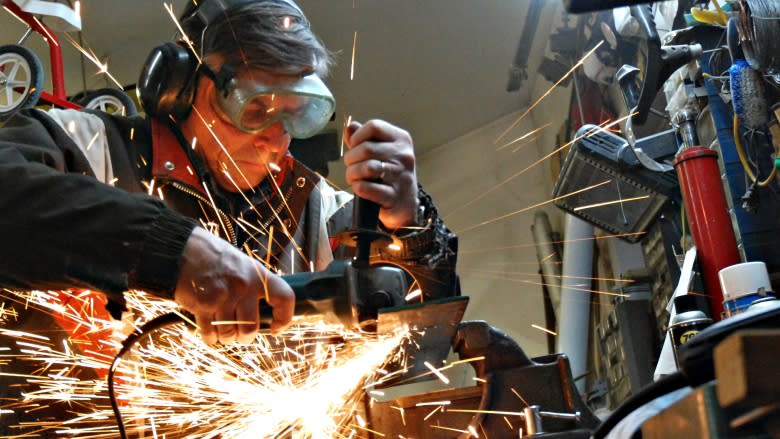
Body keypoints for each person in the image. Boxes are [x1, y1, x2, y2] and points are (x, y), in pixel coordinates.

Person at [0, 0, 459, 345]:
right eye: (255, 108)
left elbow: (422, 339)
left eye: (296, 117)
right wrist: (167, 249)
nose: (275, 139)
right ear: (181, 89)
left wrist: (410, 222)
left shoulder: (320, 210)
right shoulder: (87, 147)